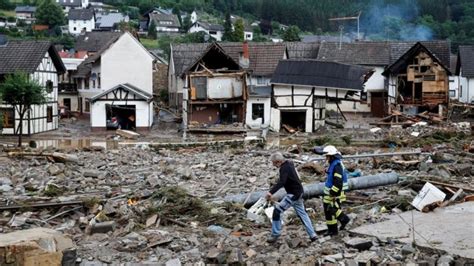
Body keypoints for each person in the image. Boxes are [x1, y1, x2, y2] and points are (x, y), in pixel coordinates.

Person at [266, 152, 318, 243]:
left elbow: (282, 182)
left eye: (274, 163)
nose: (273, 165)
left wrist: (270, 192)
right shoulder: (289, 163)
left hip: (292, 195)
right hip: (299, 192)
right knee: (303, 214)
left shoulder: (284, 168)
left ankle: (275, 234)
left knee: (277, 211)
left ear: (278, 161)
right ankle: (312, 235)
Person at [322, 145, 350, 236]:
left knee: (332, 209)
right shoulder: (334, 163)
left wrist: (333, 192)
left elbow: (338, 181)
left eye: (327, 156)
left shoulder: (336, 165)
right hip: (330, 192)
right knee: (328, 211)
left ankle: (344, 219)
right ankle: (332, 230)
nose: (326, 158)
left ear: (331, 156)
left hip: (335, 192)